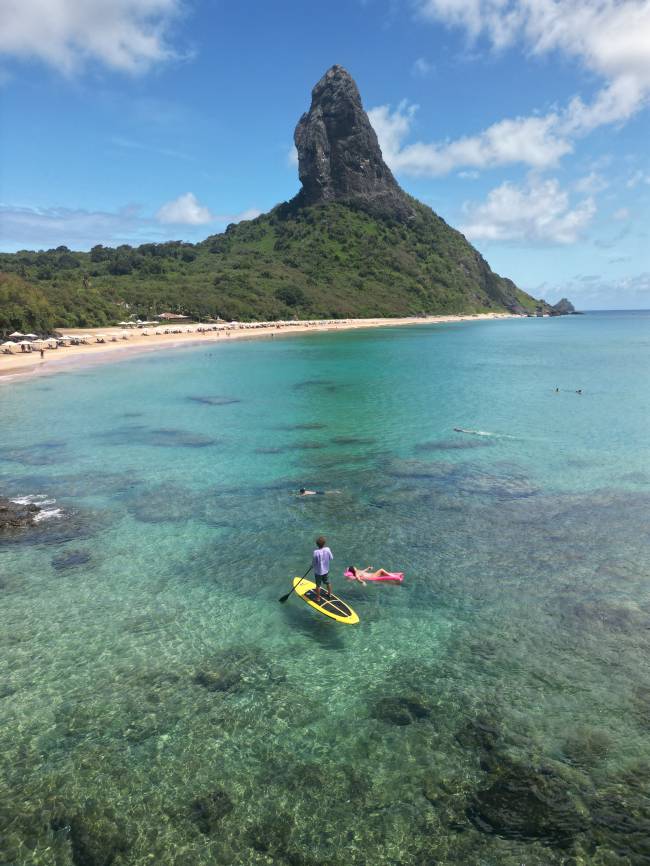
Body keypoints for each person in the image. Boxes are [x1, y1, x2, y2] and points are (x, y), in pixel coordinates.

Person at [312, 535, 333, 603]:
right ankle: (329, 594)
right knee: (327, 582)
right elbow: (331, 558)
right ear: (324, 543)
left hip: (318, 572)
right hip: (326, 570)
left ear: (317, 544)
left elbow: (314, 563)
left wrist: (312, 565)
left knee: (318, 585)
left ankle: (318, 598)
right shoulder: (328, 549)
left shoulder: (316, 552)